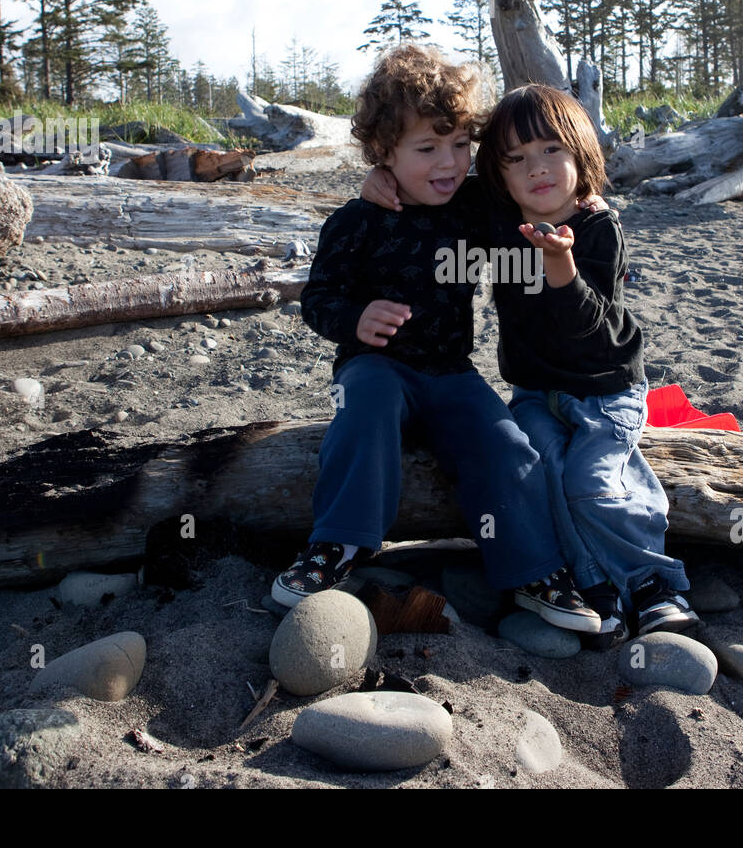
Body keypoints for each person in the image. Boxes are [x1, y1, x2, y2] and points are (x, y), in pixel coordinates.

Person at [271, 47, 601, 635]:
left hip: (451, 371)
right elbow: (318, 298)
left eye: (458, 144)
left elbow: (535, 186)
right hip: (375, 368)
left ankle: (533, 571)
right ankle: (339, 546)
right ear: (383, 153)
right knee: (363, 411)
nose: (448, 163)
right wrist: (355, 319)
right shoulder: (355, 221)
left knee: (506, 444)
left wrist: (587, 205)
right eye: (426, 149)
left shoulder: (474, 206)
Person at [364, 83, 698, 646]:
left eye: (551, 151)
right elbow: (438, 183)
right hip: (534, 389)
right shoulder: (496, 214)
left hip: (604, 389)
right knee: (539, 475)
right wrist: (382, 179)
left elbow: (588, 326)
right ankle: (596, 588)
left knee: (593, 481)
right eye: (515, 159)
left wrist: (561, 266)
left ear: (580, 154)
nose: (536, 170)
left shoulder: (596, 228)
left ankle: (654, 586)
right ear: (497, 172)